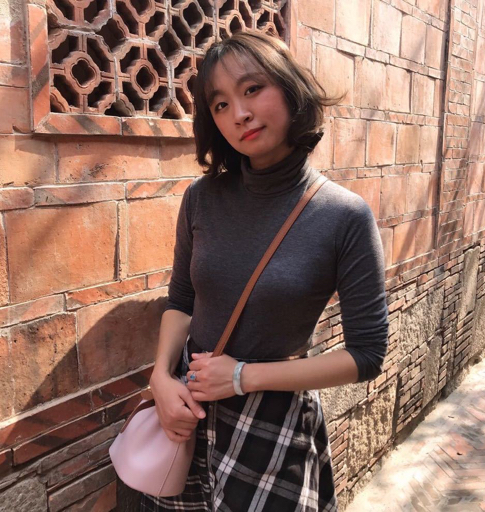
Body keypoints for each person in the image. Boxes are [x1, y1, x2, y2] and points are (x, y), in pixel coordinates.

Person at [141, 31, 389, 512]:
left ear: (290, 89)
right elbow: (182, 300)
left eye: (253, 89)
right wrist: (160, 378)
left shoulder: (344, 216)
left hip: (273, 426)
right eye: (220, 105)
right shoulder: (201, 198)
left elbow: (367, 354)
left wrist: (242, 377)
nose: (239, 114)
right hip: (188, 413)